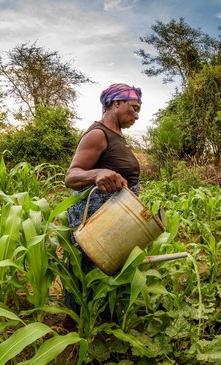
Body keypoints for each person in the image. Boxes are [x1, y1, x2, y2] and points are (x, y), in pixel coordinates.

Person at [62, 83, 142, 328]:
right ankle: (71, 325)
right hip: (97, 217)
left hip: (116, 215)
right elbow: (71, 176)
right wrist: (98, 173)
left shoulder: (117, 136)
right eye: (134, 108)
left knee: (106, 269)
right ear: (117, 103)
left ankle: (103, 316)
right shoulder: (98, 134)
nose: (137, 115)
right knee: (86, 267)